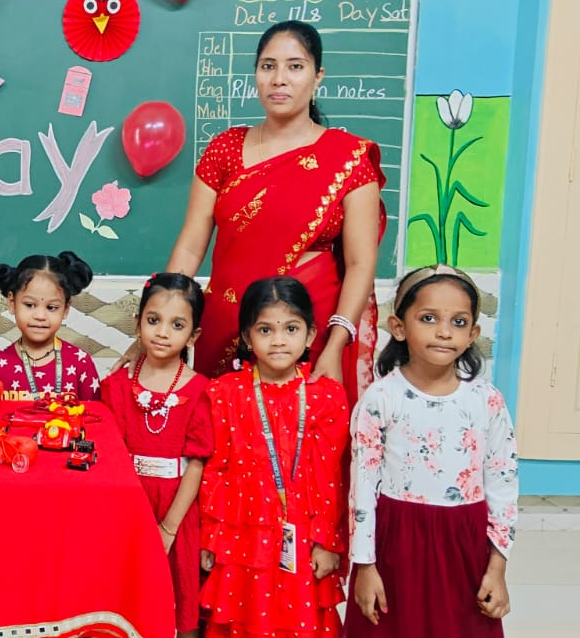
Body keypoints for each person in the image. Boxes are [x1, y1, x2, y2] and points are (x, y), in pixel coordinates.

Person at [160, 20, 385, 398]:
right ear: (256, 74)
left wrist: (335, 343)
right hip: (228, 325)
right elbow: (190, 245)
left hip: (309, 330)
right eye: (268, 66)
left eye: (295, 66)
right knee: (221, 426)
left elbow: (361, 263)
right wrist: (163, 316)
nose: (279, 79)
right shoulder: (224, 149)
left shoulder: (349, 159)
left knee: (304, 430)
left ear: (318, 76)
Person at [345, 265, 518, 637]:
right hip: (397, 543)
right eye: (428, 318)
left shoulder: (486, 400)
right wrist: (364, 566)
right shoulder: (380, 398)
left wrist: (497, 566)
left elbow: (503, 485)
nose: (444, 331)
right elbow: (362, 487)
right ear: (398, 327)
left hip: (464, 544)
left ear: (473, 334)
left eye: (459, 322)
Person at [201, 277, 349, 637]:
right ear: (247, 337)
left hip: (303, 535)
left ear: (310, 335)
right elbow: (215, 470)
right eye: (265, 329)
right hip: (241, 536)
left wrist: (326, 542)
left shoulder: (326, 396)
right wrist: (211, 537)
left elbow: (332, 477)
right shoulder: (224, 392)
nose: (279, 340)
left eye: (291, 329)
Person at [98, 273, 212, 638]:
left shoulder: (201, 391)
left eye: (177, 325)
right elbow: (110, 459)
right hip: (129, 506)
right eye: (153, 320)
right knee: (127, 600)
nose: (162, 332)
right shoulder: (115, 386)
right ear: (137, 324)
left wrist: (169, 528)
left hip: (177, 509)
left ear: (193, 336)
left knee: (180, 599)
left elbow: (197, 464)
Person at [0, 251, 101, 401]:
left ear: (66, 308)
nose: (40, 316)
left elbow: (95, 413)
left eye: (51, 307)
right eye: (30, 305)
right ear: (12, 303)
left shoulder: (80, 362)